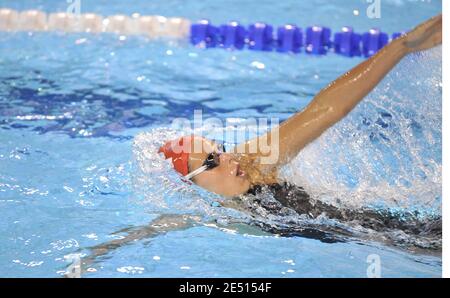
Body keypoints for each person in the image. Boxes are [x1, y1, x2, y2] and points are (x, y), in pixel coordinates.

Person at [158, 14, 442, 198]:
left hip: (392, 235)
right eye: (211, 162)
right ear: (191, 186)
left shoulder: (252, 163)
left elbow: (325, 111)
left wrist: (401, 47)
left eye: (218, 151)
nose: (227, 159)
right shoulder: (202, 212)